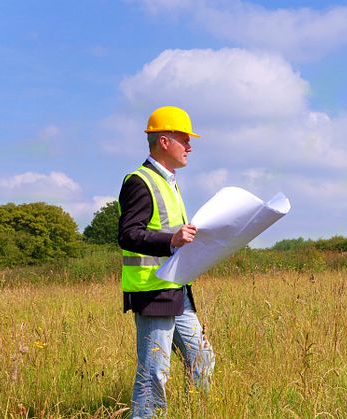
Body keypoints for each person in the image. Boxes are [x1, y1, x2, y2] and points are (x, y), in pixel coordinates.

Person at [117, 105, 215, 418]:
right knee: (154, 371)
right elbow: (128, 235)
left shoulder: (170, 182)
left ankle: (199, 412)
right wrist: (170, 239)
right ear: (164, 142)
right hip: (153, 291)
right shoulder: (139, 181)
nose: (190, 145)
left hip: (177, 289)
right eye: (183, 138)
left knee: (203, 359)